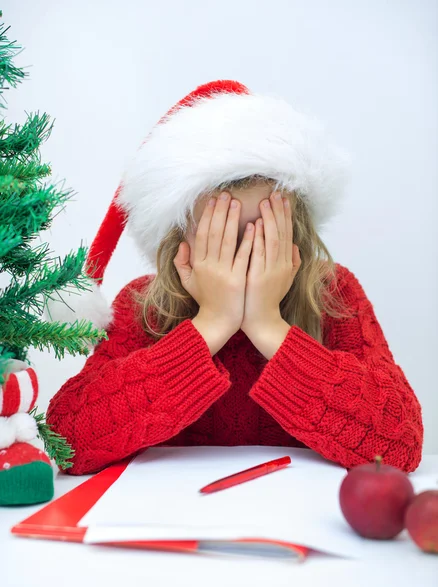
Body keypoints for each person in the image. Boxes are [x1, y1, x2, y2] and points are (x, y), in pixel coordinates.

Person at [46, 80, 423, 476]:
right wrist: (212, 323)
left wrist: (267, 325)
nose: (242, 253)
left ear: (296, 233)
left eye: (262, 232)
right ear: (181, 240)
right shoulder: (144, 305)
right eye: (219, 235)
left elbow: (400, 445)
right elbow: (67, 441)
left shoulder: (333, 294)